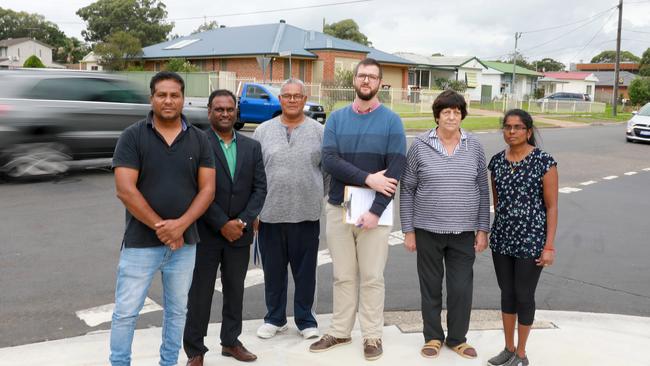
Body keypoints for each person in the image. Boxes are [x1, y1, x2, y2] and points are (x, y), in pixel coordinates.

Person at [109, 71, 216, 366]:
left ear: (183, 99)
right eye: (162, 95)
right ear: (152, 98)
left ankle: (168, 363)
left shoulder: (199, 139)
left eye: (174, 95)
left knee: (177, 312)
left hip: (185, 245)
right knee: (127, 312)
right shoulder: (132, 136)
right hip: (140, 244)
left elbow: (207, 190)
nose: (168, 100)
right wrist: (164, 228)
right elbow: (125, 191)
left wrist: (180, 226)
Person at [310, 58, 406, 361]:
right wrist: (367, 178)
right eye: (362, 76)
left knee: (372, 276)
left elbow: (396, 168)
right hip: (339, 207)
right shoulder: (337, 119)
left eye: (372, 77)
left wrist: (376, 210)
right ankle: (340, 330)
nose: (366, 81)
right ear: (354, 80)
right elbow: (330, 161)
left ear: (380, 83)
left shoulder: (391, 121)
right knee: (343, 276)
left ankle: (372, 336)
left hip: (374, 213)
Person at [399, 89, 490, 360]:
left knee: (461, 287)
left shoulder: (474, 145)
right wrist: (408, 230)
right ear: (437, 116)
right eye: (446, 112)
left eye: (456, 111)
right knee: (430, 286)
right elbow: (408, 189)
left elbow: (482, 189)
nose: (451, 116)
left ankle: (458, 338)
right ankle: (433, 337)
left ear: (462, 115)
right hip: (427, 229)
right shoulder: (419, 145)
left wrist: (483, 229)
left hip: (463, 232)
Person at [183, 89, 267, 366]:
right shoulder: (196, 142)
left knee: (235, 290)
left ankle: (231, 341)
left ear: (236, 112)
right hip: (206, 233)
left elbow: (260, 188)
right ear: (209, 112)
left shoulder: (252, 147)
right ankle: (195, 350)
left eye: (230, 109)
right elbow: (194, 189)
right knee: (200, 293)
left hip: (240, 234)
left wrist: (241, 222)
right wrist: (221, 223)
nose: (225, 114)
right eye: (219, 109)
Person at [252, 78, 325, 341]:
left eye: (297, 95)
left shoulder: (319, 131)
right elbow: (254, 173)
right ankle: (275, 318)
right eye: (287, 95)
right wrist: (255, 211)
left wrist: (316, 196)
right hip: (269, 215)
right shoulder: (262, 131)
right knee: (273, 272)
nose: (292, 99)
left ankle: (305, 320)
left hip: (306, 214)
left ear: (305, 100)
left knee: (305, 273)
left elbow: (326, 172)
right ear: (280, 99)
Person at [486, 109, 558, 366]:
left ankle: (522, 353)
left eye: (517, 127)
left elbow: (551, 207)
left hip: (531, 239)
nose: (512, 131)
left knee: (524, 294)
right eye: (507, 127)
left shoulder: (544, 161)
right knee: (507, 293)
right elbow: (498, 203)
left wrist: (548, 246)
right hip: (503, 238)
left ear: (528, 131)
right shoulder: (496, 162)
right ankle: (508, 347)